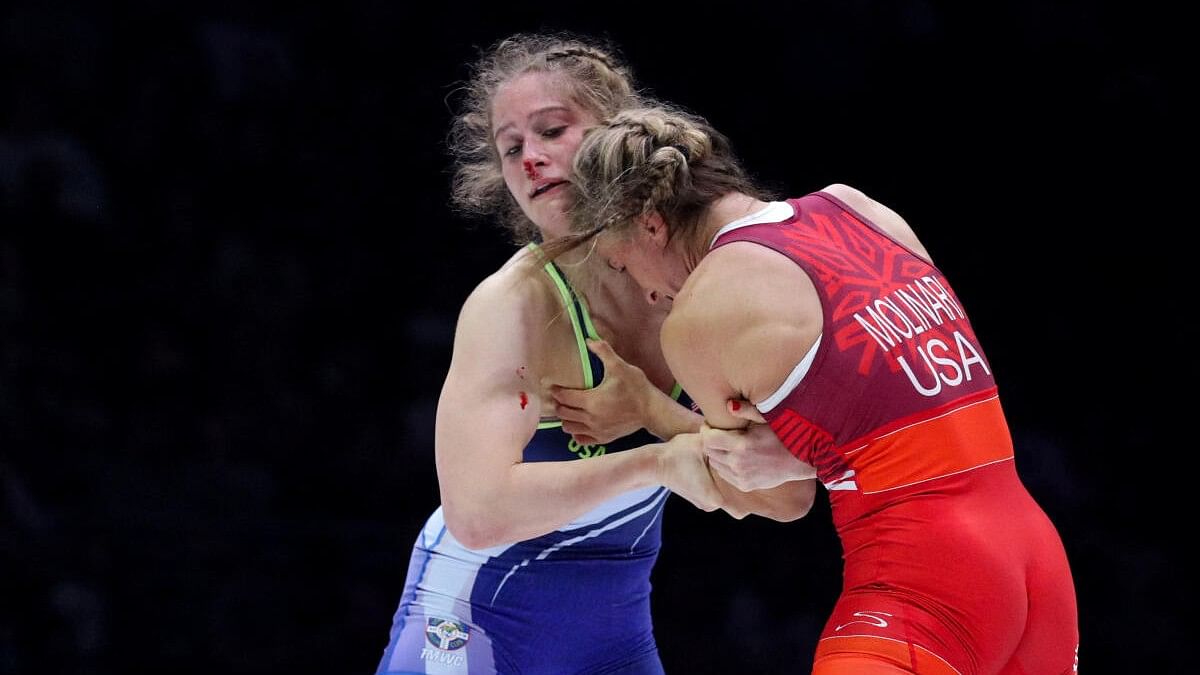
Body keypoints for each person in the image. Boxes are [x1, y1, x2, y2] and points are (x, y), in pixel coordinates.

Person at [563, 103, 1080, 675]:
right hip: (1036, 566)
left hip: (923, 585)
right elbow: (922, 395)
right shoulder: (856, 207)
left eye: (621, 264)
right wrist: (803, 452)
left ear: (650, 225)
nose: (646, 293)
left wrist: (651, 412)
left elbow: (779, 499)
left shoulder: (703, 311)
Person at [375, 35, 812, 675]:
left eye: (552, 130)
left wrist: (653, 413)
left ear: (617, 132)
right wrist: (658, 460)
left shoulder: (699, 281)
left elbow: (789, 497)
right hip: (471, 617)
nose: (531, 159)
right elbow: (476, 514)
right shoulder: (512, 305)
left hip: (613, 631)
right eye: (511, 148)